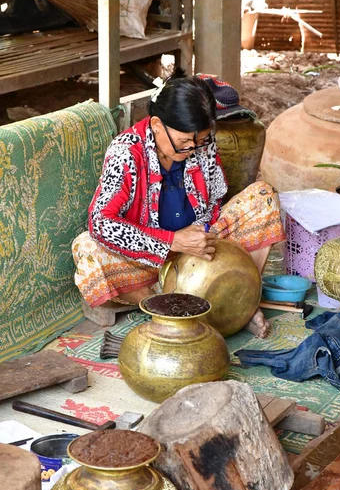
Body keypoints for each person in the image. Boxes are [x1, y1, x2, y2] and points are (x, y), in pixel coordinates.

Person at [72, 72, 285, 338]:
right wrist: (170, 241)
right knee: (87, 248)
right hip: (150, 261)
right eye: (184, 141)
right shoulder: (126, 152)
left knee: (263, 196)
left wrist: (199, 235)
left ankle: (242, 301)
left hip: (201, 249)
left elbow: (213, 201)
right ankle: (171, 306)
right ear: (157, 125)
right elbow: (102, 223)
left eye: (200, 140)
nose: (193, 149)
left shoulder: (200, 144)